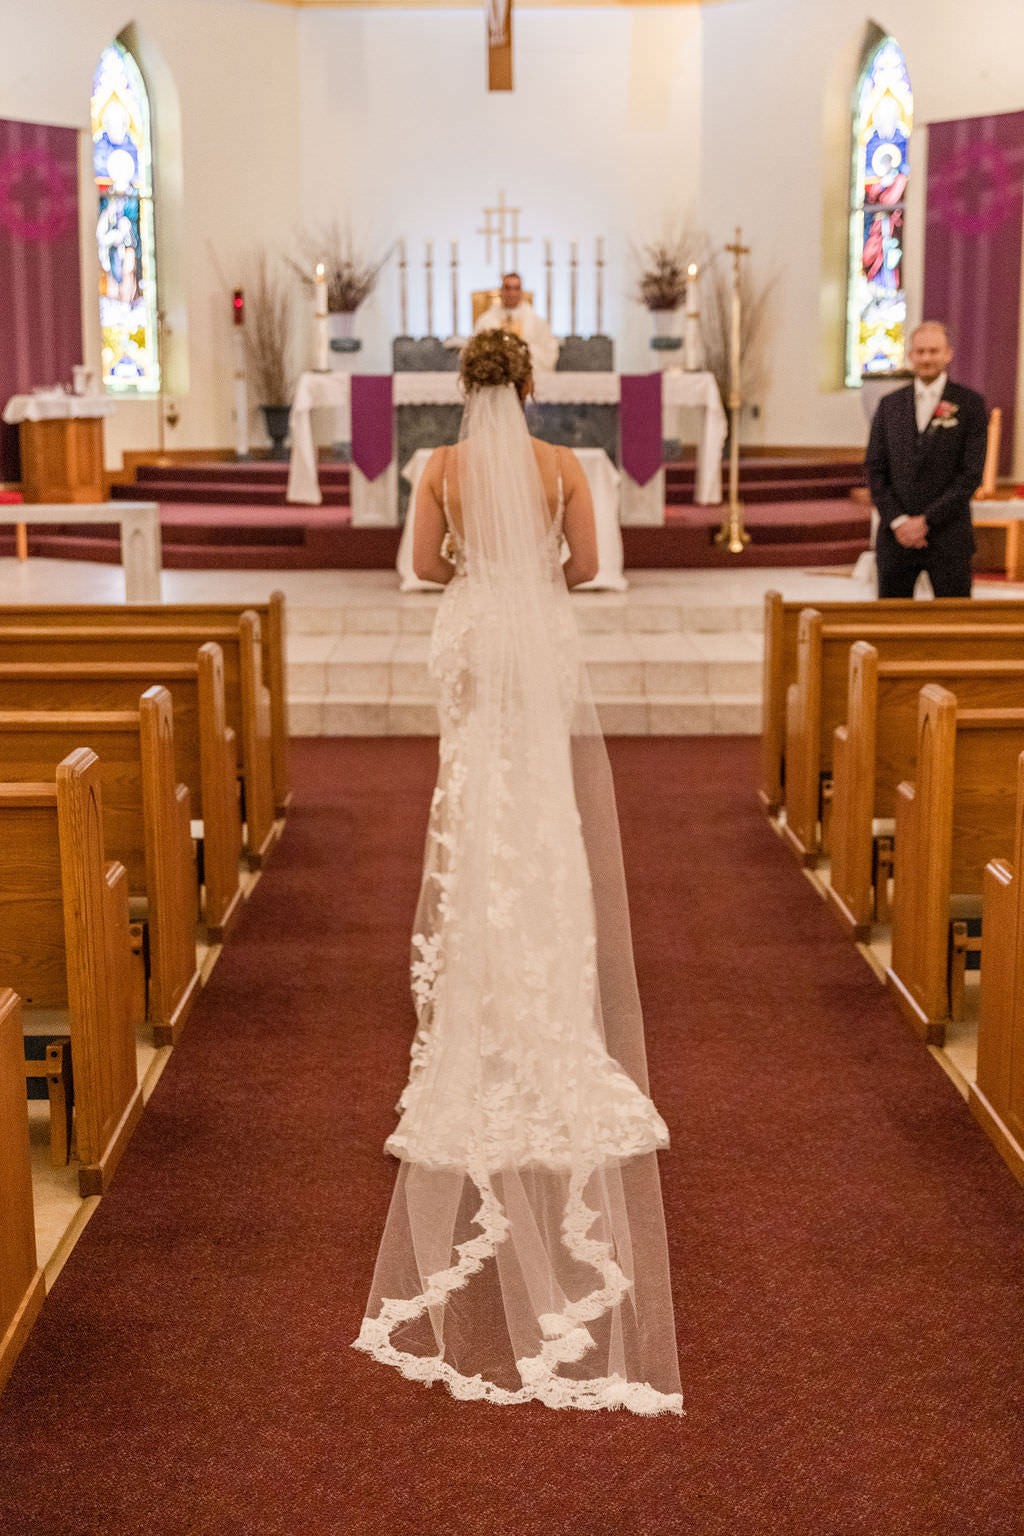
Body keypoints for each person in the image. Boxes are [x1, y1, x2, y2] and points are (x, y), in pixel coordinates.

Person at [353, 329, 682, 1415]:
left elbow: (413, 568)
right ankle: (546, 990)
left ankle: (476, 998)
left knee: (472, 808)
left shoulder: (437, 468)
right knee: (542, 815)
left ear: (464, 389)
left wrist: (464, 560)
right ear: (532, 388)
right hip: (531, 634)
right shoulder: (562, 465)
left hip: (472, 632)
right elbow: (586, 569)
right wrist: (531, 560)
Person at [866, 320, 988, 598]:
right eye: (920, 352)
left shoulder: (969, 404)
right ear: (910, 356)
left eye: (933, 351)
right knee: (893, 627)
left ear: (948, 354)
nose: (926, 358)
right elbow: (875, 468)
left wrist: (926, 521)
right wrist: (898, 521)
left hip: (948, 536)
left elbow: (971, 473)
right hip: (895, 538)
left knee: (952, 627)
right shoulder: (890, 405)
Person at [474, 271, 559, 371]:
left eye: (516, 288)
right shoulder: (486, 321)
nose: (512, 293)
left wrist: (521, 352)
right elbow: (477, 351)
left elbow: (548, 353)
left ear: (521, 291)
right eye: (507, 288)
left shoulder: (537, 322)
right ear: (501, 290)